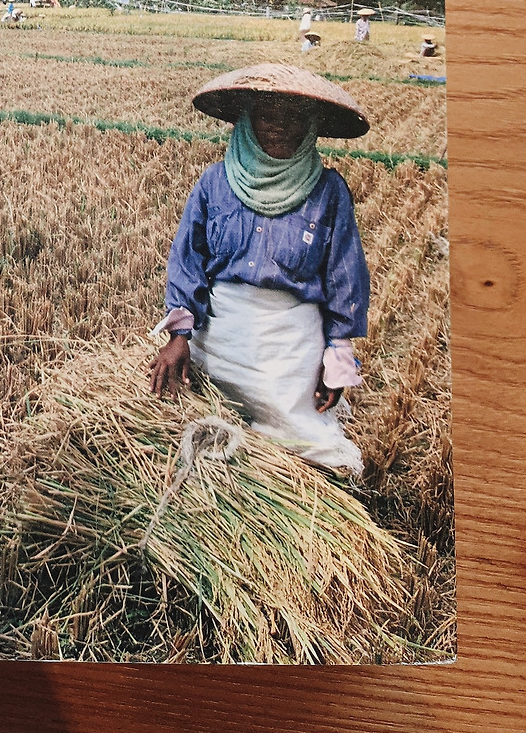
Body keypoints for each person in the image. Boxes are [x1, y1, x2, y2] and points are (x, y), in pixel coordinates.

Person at [149, 63, 371, 474]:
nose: (279, 126)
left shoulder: (329, 192)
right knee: (205, 429)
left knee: (308, 445)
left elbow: (345, 276)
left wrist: (338, 357)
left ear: (311, 128)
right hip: (220, 336)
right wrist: (179, 336)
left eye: (293, 117)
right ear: (247, 122)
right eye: (267, 114)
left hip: (290, 345)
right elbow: (188, 260)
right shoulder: (215, 182)